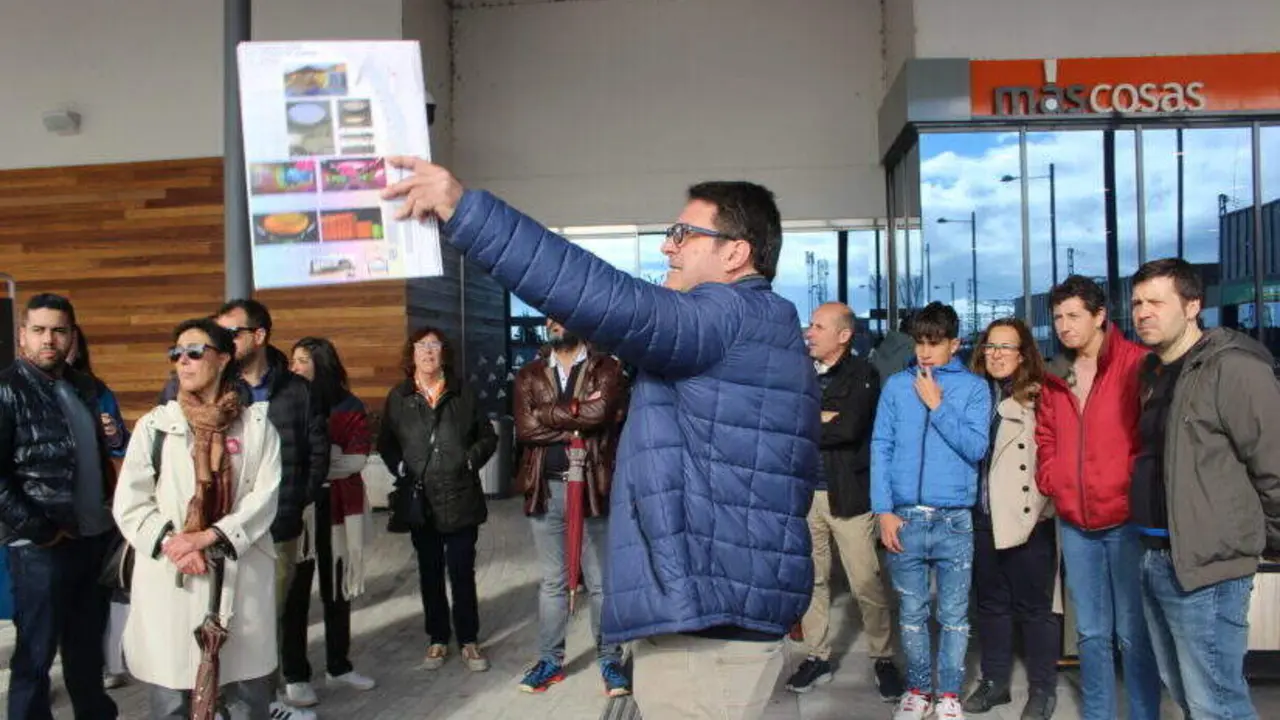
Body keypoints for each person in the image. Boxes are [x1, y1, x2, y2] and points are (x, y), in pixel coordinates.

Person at [381, 158, 820, 720]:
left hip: (712, 627)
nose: (670, 248)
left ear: (735, 252)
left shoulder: (728, 316)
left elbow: (602, 296)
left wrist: (464, 211)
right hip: (720, 607)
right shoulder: (760, 325)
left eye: (684, 234)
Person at [158, 299, 327, 720]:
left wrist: (292, 500)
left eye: (232, 332)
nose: (223, 341)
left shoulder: (295, 389)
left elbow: (316, 452)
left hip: (277, 524)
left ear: (259, 336)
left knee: (262, 617)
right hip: (206, 535)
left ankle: (264, 700)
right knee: (206, 618)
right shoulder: (209, 389)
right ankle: (210, 701)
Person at [1130, 258, 1280, 719]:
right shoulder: (1154, 374)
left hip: (1207, 567)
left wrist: (1263, 541)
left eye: (1157, 301)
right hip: (1157, 556)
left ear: (1193, 305)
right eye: (1136, 303)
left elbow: (1273, 464)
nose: (1143, 313)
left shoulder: (1234, 368)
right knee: (1188, 694)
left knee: (1217, 703)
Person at [113, 318, 282, 719]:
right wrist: (176, 544)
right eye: (176, 353)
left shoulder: (257, 426)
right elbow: (131, 503)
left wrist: (208, 537)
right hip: (172, 577)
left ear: (223, 358)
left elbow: (266, 495)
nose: (183, 361)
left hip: (239, 575)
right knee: (171, 697)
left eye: (194, 352)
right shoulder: (155, 427)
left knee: (245, 696)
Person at [1035, 275, 1160, 720]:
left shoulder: (1137, 364)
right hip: (1075, 522)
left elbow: (1152, 438)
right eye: (1057, 318)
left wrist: (1131, 484)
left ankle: (1145, 714)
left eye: (1073, 316)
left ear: (1100, 316)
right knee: (1090, 633)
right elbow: (1045, 434)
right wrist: (1053, 477)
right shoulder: (1054, 373)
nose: (1064, 326)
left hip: (1125, 519)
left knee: (1132, 633)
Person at [0, 293, 119, 720]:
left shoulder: (85, 387)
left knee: (87, 654)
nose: (48, 339)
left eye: (58, 330)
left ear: (72, 335)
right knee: (34, 658)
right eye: (39, 330)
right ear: (22, 336)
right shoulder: (6, 391)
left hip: (90, 539)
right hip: (40, 546)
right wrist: (41, 530)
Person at [870, 301, 990, 720]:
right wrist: (883, 510)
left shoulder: (974, 389)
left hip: (954, 520)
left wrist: (938, 405)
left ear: (954, 344)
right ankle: (918, 690)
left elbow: (976, 448)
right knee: (912, 613)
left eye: (934, 343)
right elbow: (880, 449)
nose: (925, 351)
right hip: (904, 517)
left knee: (954, 615)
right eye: (919, 342)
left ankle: (950, 695)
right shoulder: (895, 387)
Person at [786, 302, 902, 700]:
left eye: (818, 326)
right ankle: (816, 656)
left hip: (849, 495)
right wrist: (819, 419)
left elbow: (850, 428)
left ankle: (883, 658)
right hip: (805, 494)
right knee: (813, 580)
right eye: (810, 325)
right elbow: (785, 421)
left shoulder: (862, 373)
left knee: (865, 581)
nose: (809, 333)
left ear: (844, 335)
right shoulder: (798, 372)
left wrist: (807, 422)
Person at [514, 319, 631, 696]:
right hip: (545, 491)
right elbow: (525, 429)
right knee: (552, 583)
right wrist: (577, 420)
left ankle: (609, 660)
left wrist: (547, 413)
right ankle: (549, 661)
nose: (554, 323)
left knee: (600, 583)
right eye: (548, 317)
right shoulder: (530, 374)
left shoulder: (606, 368)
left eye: (561, 316)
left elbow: (602, 416)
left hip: (594, 490)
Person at [378, 327, 497, 673]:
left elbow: (487, 436)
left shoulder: (463, 394)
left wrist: (471, 459)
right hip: (421, 500)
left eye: (435, 345)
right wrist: (400, 467)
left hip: (460, 496)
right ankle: (437, 638)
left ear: (444, 353)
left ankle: (469, 639)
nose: (428, 352)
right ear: (411, 353)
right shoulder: (399, 397)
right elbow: (386, 441)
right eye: (421, 346)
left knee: (462, 572)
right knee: (430, 572)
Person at [963, 318, 1059, 719]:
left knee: (1036, 609)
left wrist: (1041, 510)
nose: (997, 354)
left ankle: (1042, 690)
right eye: (991, 346)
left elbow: (1055, 456)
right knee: (991, 605)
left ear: (1023, 355)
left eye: (1007, 347)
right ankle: (995, 682)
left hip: (1027, 519)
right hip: (982, 516)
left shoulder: (1040, 396)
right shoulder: (972, 395)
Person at [281, 337, 377, 707]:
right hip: (301, 507)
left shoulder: (348, 404)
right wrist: (321, 465)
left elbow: (356, 458)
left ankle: (338, 664)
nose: (294, 367)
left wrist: (316, 465)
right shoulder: (289, 401)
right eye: (292, 360)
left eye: (302, 360)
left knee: (338, 589)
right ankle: (295, 674)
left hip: (339, 508)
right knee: (296, 595)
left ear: (321, 363)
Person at [67, 327, 133, 691]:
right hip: (48, 516)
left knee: (100, 589)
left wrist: (113, 435)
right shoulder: (18, 388)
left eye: (67, 336)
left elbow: (121, 445)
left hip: (97, 506)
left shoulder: (96, 390)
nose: (57, 343)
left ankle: (106, 661)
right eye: (44, 331)